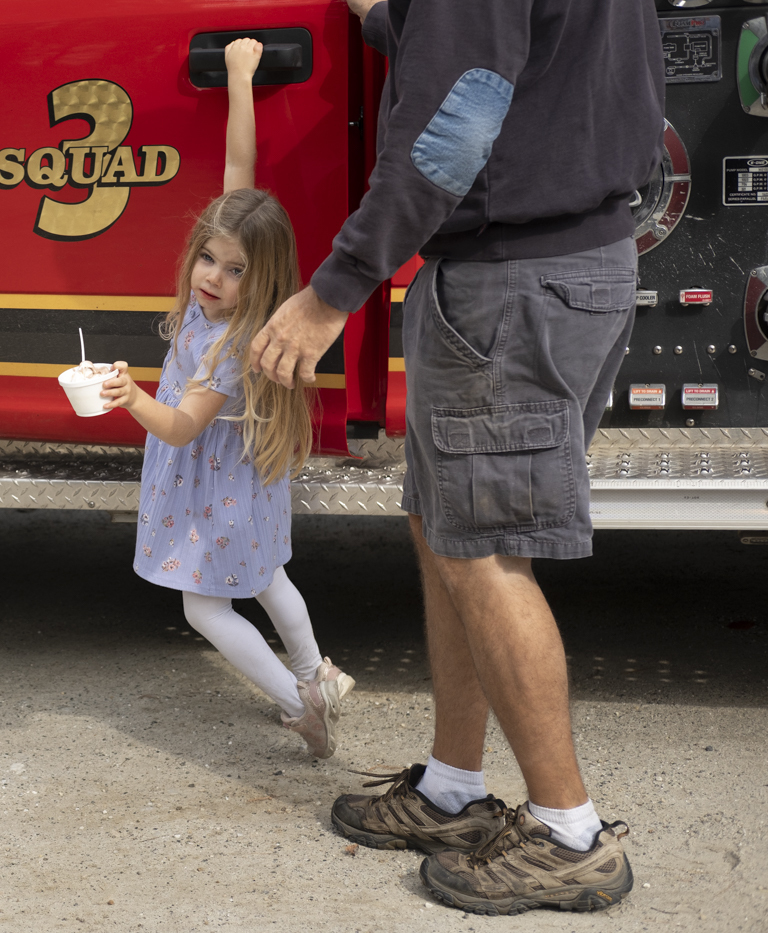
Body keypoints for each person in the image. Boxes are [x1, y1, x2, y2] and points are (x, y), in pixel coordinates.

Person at [246, 0, 664, 916]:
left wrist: (333, 291)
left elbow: (458, 125)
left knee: (486, 550)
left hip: (511, 277)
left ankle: (569, 834)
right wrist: (393, 18)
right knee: (445, 525)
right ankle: (452, 788)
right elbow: (528, 49)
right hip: (559, 260)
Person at [98, 38, 355, 758]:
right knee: (269, 576)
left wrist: (131, 397)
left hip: (209, 489)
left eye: (233, 270)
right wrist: (241, 79)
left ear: (262, 278)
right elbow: (237, 175)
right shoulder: (227, 312)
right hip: (241, 486)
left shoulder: (228, 346)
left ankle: (300, 703)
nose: (211, 275)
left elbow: (182, 428)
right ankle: (318, 672)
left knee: (205, 607)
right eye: (207, 257)